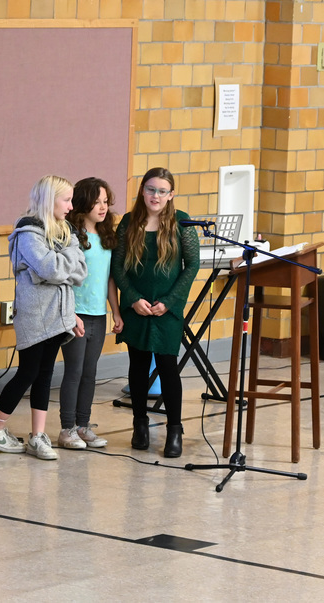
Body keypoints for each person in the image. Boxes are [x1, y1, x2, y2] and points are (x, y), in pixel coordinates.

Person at [0, 175, 88, 461]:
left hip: (59, 314)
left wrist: (70, 311)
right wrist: (61, 264)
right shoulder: (28, 231)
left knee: (45, 374)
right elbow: (50, 268)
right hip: (35, 315)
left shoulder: (66, 231)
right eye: (66, 200)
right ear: (48, 200)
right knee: (28, 372)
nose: (71, 205)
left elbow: (80, 273)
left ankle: (38, 436)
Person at [111, 167, 200, 458]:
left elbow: (192, 266)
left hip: (167, 308)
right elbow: (118, 268)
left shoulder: (181, 222)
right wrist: (133, 299)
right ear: (142, 191)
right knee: (137, 366)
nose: (156, 196)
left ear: (171, 194)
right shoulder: (128, 223)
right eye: (151, 189)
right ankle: (140, 425)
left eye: (162, 191)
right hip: (137, 307)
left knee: (167, 366)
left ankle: (175, 430)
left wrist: (170, 301)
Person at [57, 177, 123, 450]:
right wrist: (70, 314)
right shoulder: (70, 236)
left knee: (90, 372)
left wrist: (116, 313)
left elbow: (109, 279)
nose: (103, 207)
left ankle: (83, 425)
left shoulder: (107, 237)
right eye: (97, 201)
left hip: (98, 314)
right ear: (83, 203)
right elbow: (65, 279)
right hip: (76, 314)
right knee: (74, 370)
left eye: (106, 202)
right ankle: (66, 429)